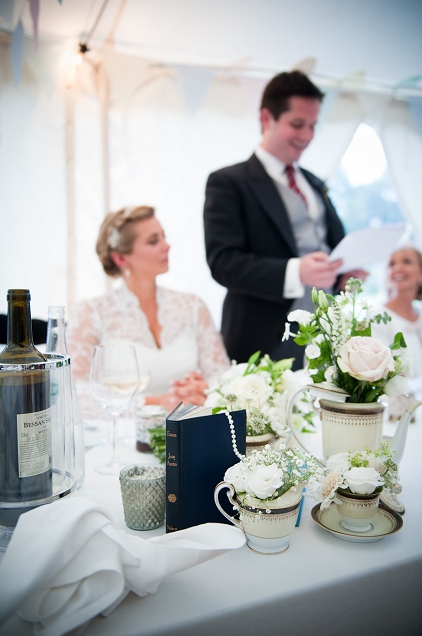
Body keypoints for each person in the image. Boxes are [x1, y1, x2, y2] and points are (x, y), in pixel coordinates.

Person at [203, 70, 366, 367]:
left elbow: (329, 243)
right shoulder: (229, 182)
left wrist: (346, 274)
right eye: (297, 124)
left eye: (313, 126)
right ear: (267, 119)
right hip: (262, 337)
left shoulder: (315, 183)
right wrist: (296, 272)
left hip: (326, 337)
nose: (307, 136)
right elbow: (223, 262)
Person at [68, 206, 230, 419]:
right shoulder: (91, 313)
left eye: (164, 237)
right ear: (120, 258)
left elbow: (223, 376)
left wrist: (203, 389)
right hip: (121, 438)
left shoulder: (192, 306)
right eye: (153, 241)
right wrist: (158, 403)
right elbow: (74, 393)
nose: (167, 246)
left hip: (189, 429)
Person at [371, 246, 422, 382]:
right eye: (392, 264)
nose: (397, 268)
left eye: (406, 262)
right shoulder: (377, 317)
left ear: (421, 274)